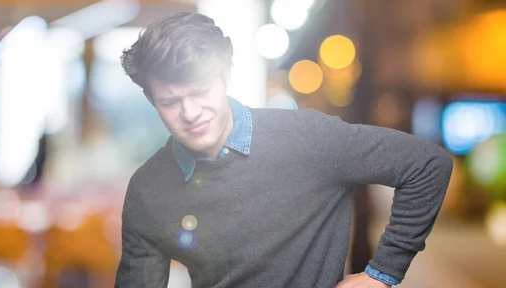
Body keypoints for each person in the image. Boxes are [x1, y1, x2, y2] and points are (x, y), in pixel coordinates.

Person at [114, 12, 453, 288]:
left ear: (226, 75)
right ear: (151, 100)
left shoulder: (307, 140)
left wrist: (381, 274)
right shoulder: (149, 191)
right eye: (171, 102)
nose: (190, 113)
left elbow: (426, 164)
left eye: (200, 91)